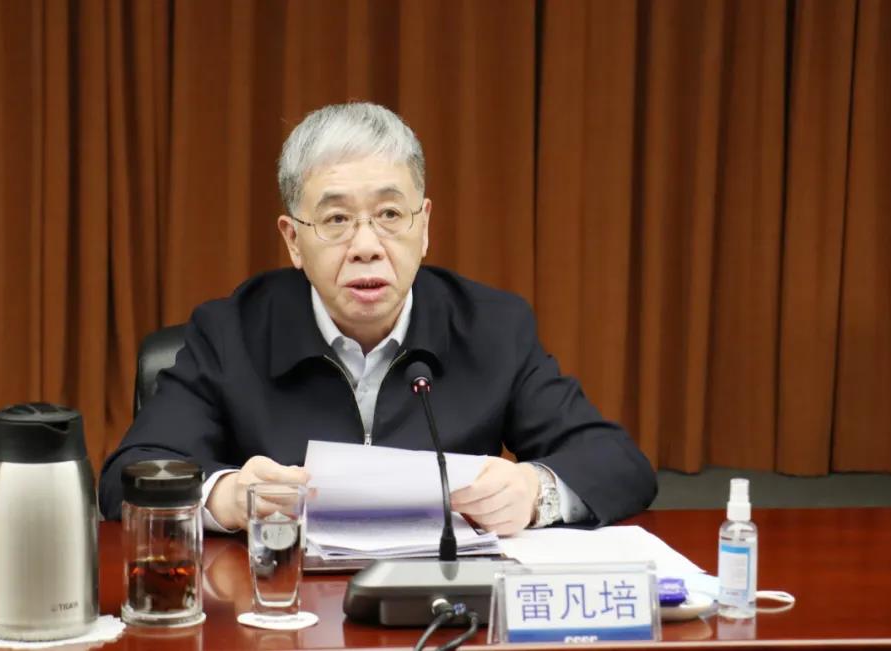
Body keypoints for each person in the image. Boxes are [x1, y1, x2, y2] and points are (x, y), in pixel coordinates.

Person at [99, 102, 656, 535]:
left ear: (424, 226)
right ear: (293, 240)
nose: (367, 246)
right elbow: (129, 476)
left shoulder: (492, 327)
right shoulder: (230, 333)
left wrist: (535, 492)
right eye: (336, 219)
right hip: (282, 609)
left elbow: (618, 463)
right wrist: (226, 497)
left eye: (390, 214)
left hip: (443, 604)